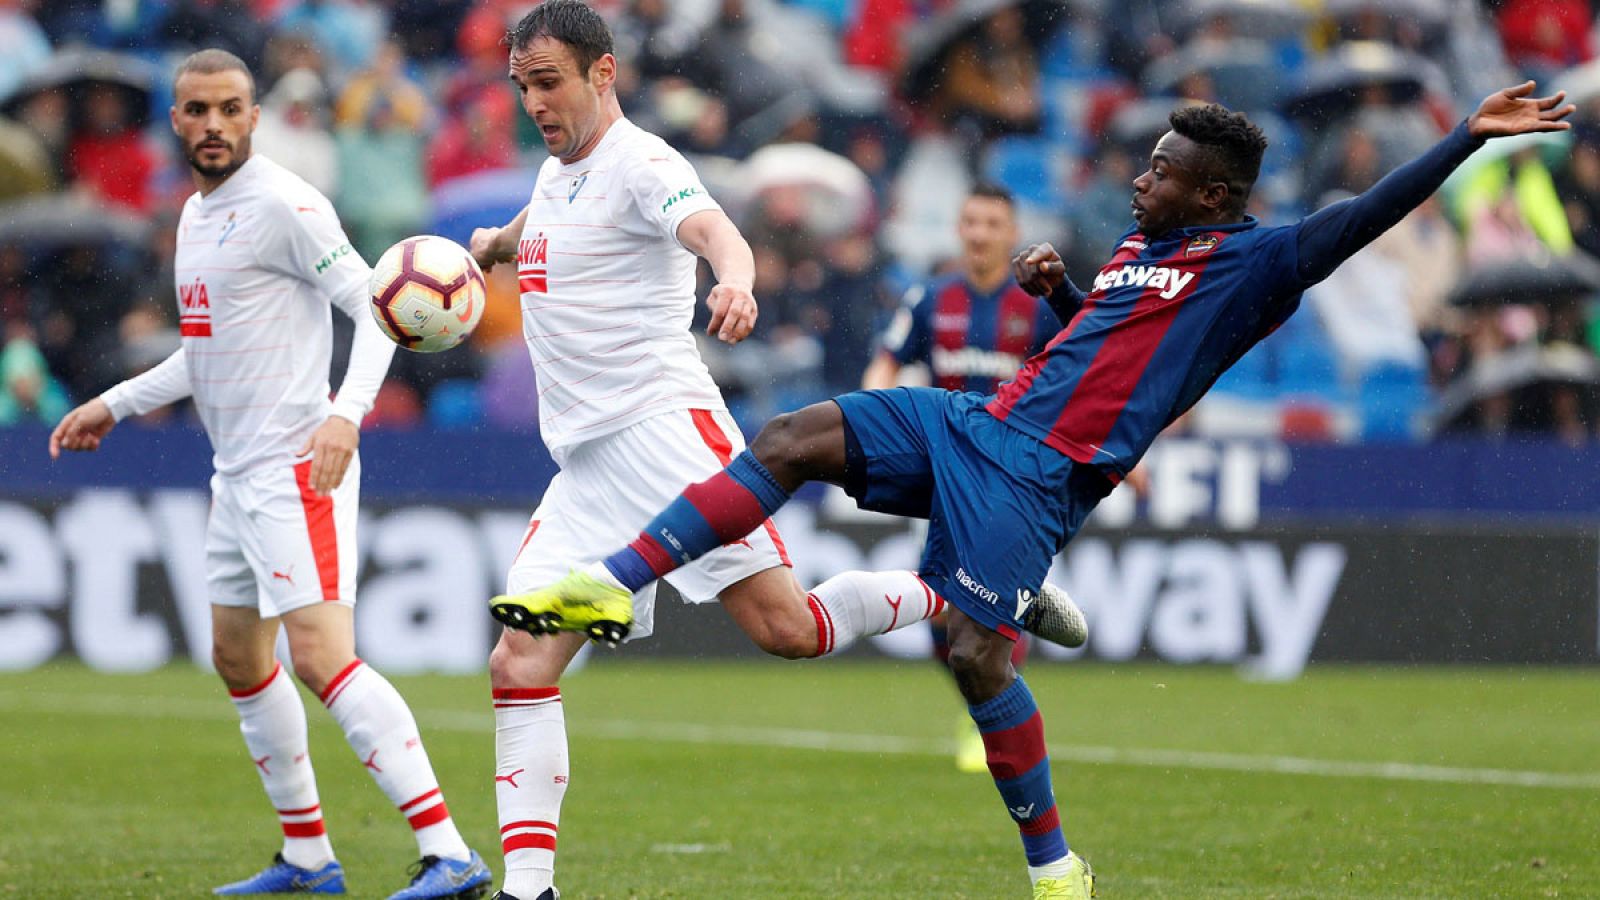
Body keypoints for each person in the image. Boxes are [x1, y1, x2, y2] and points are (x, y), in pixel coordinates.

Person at [521, 81, 1576, 899]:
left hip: (1042, 478)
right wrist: (1062, 294)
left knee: (975, 656)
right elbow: (1100, 349)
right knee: (794, 435)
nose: (1139, 181)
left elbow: (1362, 215)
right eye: (1144, 165)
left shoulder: (1254, 263)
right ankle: (613, 581)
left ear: (1212, 194)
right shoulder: (1136, 251)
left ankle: (1054, 867)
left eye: (1160, 173)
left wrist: (1465, 140)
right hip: (981, 422)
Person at [464, 5, 1086, 899]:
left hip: (668, 439)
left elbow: (715, 231)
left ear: (605, 74)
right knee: (518, 664)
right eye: (521, 85)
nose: (533, 102)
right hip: (587, 465)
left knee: (789, 632)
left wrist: (738, 280)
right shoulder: (558, 174)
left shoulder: (645, 163)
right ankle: (530, 890)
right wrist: (490, 247)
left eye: (549, 81)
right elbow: (544, 224)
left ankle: (970, 590)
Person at [47, 49, 491, 900]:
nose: (213, 124)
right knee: (238, 657)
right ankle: (308, 860)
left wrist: (345, 415)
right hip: (236, 472)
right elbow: (206, 351)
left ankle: (449, 852)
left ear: (255, 116)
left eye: (229, 109)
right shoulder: (199, 214)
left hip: (296, 466)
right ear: (176, 121)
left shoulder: (288, 204)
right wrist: (115, 401)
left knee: (323, 659)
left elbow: (377, 308)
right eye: (197, 111)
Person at [862, 182, 1058, 774]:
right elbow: (887, 361)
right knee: (941, 616)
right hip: (947, 474)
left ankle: (996, 723)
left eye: (992, 224)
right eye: (971, 222)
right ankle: (992, 705)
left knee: (982, 608)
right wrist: (871, 411)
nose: (979, 234)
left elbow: (1077, 382)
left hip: (1012, 472)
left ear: (1011, 232)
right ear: (959, 228)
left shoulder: (1040, 307)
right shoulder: (932, 297)